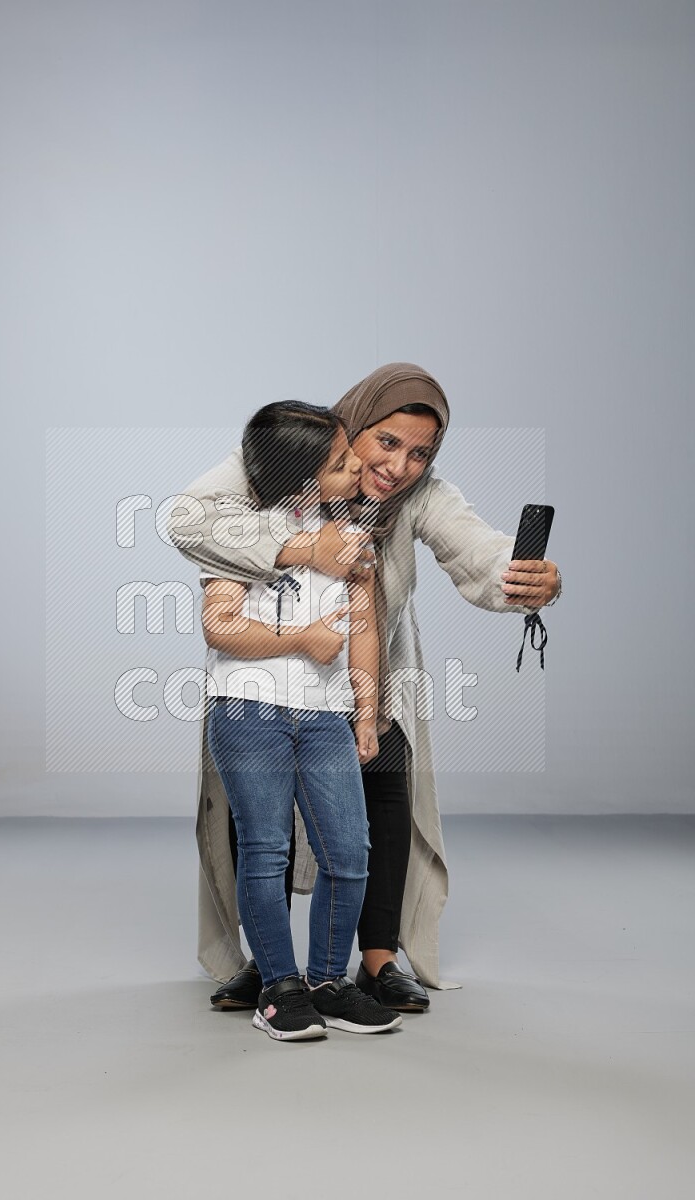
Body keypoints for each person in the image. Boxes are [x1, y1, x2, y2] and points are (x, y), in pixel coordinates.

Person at [168, 363, 561, 1011]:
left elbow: (478, 551)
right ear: (352, 424)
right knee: (258, 813)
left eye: (420, 453)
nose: (400, 466)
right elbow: (188, 519)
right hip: (270, 676)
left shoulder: (424, 494)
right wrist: (306, 548)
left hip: (373, 671)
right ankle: (267, 965)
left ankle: (377, 957)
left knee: (384, 791)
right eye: (386, 443)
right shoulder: (282, 455)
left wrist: (522, 577)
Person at [201, 399, 401, 1040]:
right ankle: (279, 989)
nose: (358, 468)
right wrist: (301, 640)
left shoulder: (353, 532)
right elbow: (220, 624)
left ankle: (326, 981)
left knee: (350, 851)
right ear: (302, 478)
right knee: (265, 850)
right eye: (343, 463)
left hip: (325, 716)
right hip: (248, 708)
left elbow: (364, 625)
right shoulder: (242, 533)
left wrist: (365, 708)